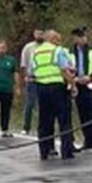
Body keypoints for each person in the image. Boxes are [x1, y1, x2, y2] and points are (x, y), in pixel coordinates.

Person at [32, 29, 76, 160]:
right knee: (64, 119)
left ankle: (44, 151)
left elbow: (33, 70)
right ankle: (66, 151)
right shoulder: (58, 51)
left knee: (44, 121)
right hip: (58, 87)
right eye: (57, 39)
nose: (59, 41)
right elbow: (63, 69)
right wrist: (72, 84)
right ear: (52, 39)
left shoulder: (36, 52)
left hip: (41, 88)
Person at [71, 26, 92, 150]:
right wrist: (73, 79)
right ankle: (88, 140)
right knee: (83, 114)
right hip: (77, 85)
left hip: (91, 84)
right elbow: (68, 67)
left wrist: (90, 77)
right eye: (79, 37)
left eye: (83, 36)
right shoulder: (70, 51)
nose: (82, 39)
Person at [20, 29, 44, 135]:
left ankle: (42, 127)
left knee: (43, 105)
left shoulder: (47, 47)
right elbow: (24, 64)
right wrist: (25, 76)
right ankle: (26, 127)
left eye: (41, 33)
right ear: (34, 34)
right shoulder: (28, 47)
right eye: (37, 33)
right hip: (32, 79)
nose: (39, 35)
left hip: (44, 79)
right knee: (30, 104)